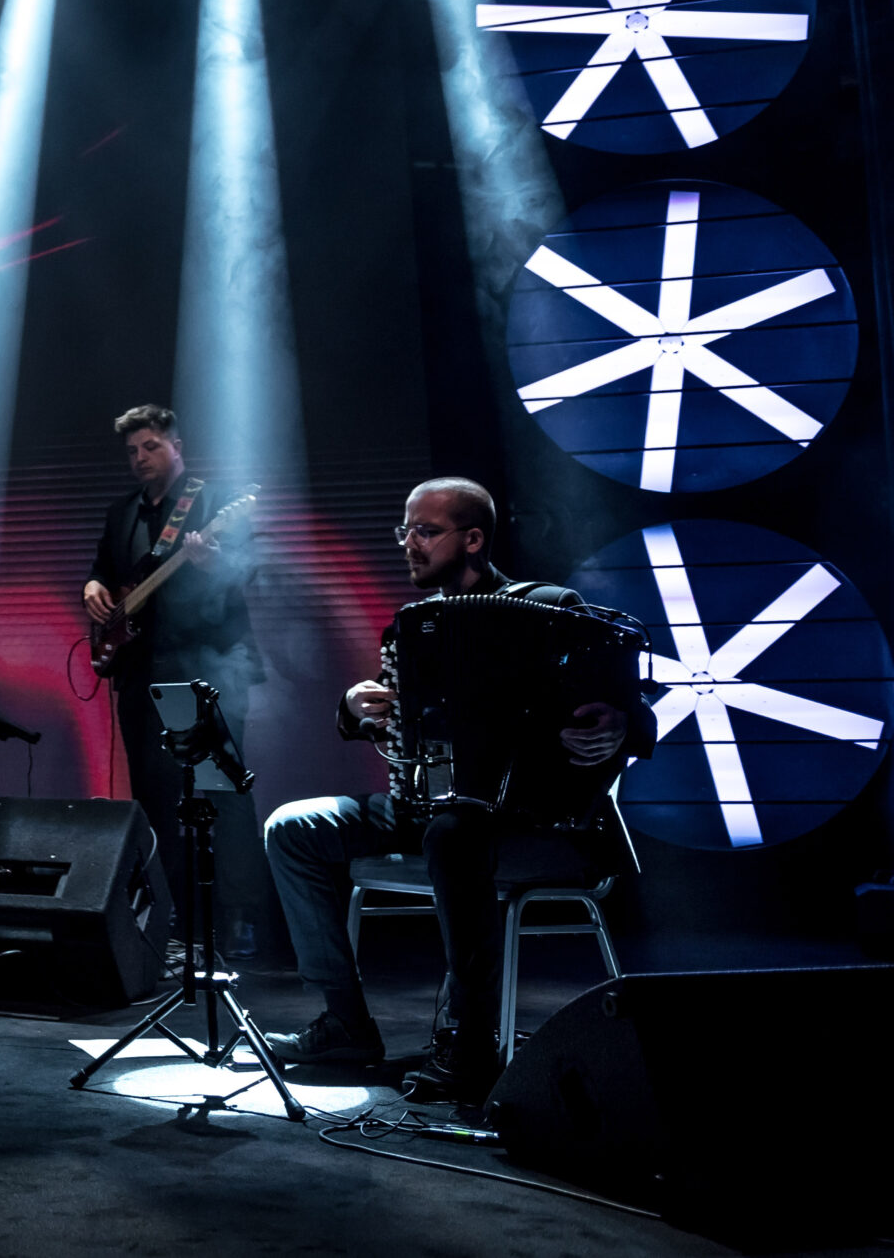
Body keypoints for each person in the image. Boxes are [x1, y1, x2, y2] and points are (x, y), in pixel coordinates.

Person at [259, 477, 653, 1108]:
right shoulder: (417, 628)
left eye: (425, 531)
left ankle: (471, 1044)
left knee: (455, 834)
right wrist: (355, 706)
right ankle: (345, 1026)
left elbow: (629, 705)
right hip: (429, 809)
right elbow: (396, 723)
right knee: (293, 825)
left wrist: (621, 724)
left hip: (536, 824)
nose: (408, 544)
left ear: (472, 539)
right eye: (405, 531)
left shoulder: (551, 607)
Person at [80, 405, 265, 948]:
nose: (140, 458)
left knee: (221, 792)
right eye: (132, 451)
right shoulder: (122, 512)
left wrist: (212, 564)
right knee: (153, 798)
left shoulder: (215, 501)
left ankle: (239, 919)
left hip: (205, 666)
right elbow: (103, 569)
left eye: (151, 446)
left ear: (177, 447)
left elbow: (248, 570)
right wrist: (92, 587)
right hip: (141, 670)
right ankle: (170, 922)